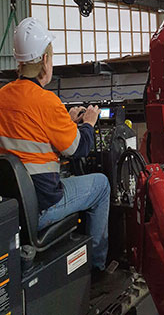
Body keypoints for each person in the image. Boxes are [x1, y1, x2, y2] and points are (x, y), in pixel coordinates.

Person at [0, 17, 109, 273]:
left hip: (13, 204)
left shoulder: (3, 96)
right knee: (102, 185)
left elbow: (28, 136)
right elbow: (79, 148)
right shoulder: (47, 102)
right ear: (45, 61)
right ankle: (98, 268)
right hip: (42, 205)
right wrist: (88, 123)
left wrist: (67, 122)